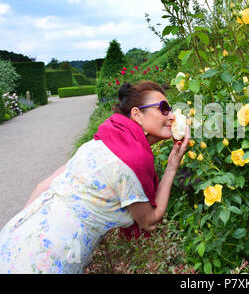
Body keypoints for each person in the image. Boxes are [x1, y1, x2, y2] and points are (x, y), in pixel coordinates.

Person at [0, 80, 190, 273]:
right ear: (137, 114)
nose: (173, 116)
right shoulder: (128, 163)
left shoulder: (100, 142)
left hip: (15, 237)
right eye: (164, 108)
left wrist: (17, 237)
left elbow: (41, 187)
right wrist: (173, 164)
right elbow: (149, 221)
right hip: (49, 259)